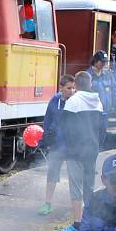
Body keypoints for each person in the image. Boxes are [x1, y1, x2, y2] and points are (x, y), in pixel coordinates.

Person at [51, 71, 104, 231]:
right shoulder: (98, 102)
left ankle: (77, 224)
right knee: (89, 186)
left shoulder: (73, 101)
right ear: (90, 84)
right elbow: (101, 129)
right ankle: (89, 221)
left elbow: (65, 129)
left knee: (76, 189)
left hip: (75, 152)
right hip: (92, 150)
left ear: (77, 85)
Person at [39, 74, 76, 216]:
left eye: (73, 88)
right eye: (69, 88)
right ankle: (47, 203)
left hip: (72, 146)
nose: (72, 91)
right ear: (61, 88)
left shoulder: (77, 101)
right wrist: (45, 141)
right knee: (52, 173)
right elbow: (48, 120)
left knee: (74, 175)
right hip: (57, 145)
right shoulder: (54, 101)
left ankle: (78, 204)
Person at [88, 50, 116, 124]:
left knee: (102, 135)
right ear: (95, 61)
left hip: (105, 113)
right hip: (92, 114)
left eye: (105, 62)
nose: (104, 64)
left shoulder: (108, 75)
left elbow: (114, 93)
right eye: (102, 62)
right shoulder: (88, 75)